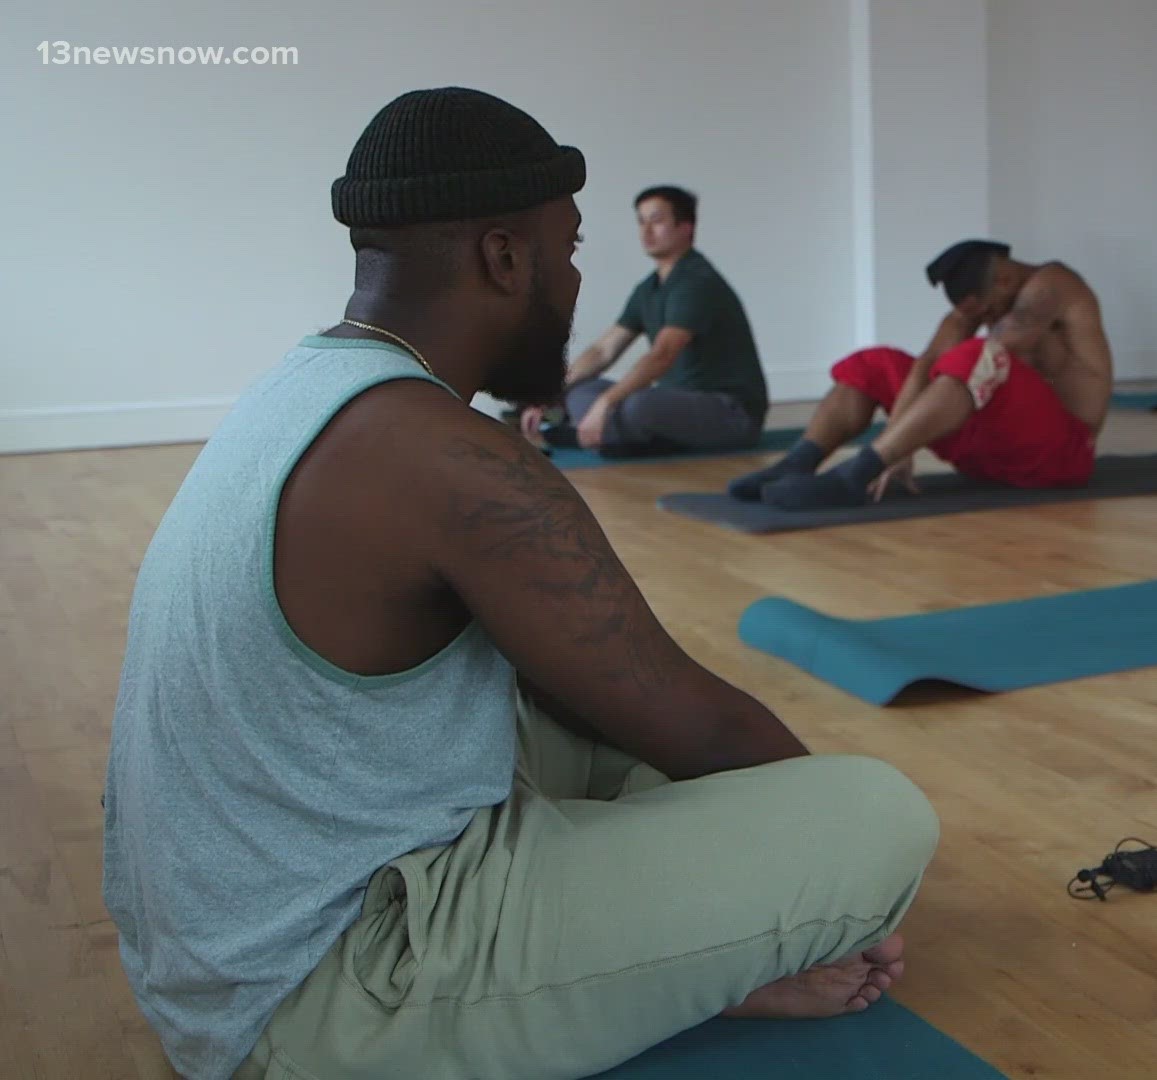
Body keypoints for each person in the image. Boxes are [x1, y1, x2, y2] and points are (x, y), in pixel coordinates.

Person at [101, 87, 938, 1080]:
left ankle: (670, 965)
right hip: (316, 1006)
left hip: (212, 959)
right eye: (571, 248)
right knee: (875, 818)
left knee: (584, 715)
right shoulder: (453, 459)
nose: (578, 277)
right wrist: (814, 881)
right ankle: (700, 952)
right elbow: (699, 728)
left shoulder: (307, 383)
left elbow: (616, 696)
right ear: (505, 256)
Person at [724, 240, 1113, 509]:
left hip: (1059, 457)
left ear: (1006, 281)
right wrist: (898, 443)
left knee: (978, 354)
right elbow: (928, 363)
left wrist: (891, 446)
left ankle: (853, 477)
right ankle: (800, 462)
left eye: (987, 311)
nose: (984, 318)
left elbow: (988, 351)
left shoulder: (1052, 286)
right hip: (994, 457)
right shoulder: (982, 302)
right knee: (877, 363)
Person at [522, 185, 771, 455]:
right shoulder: (650, 287)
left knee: (636, 405)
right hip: (678, 404)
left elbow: (662, 355)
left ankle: (591, 434)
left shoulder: (697, 282)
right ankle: (609, 434)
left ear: (686, 226)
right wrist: (550, 395)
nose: (646, 231)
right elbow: (603, 350)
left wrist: (606, 403)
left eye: (657, 220)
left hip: (732, 413)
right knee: (580, 389)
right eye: (641, 221)